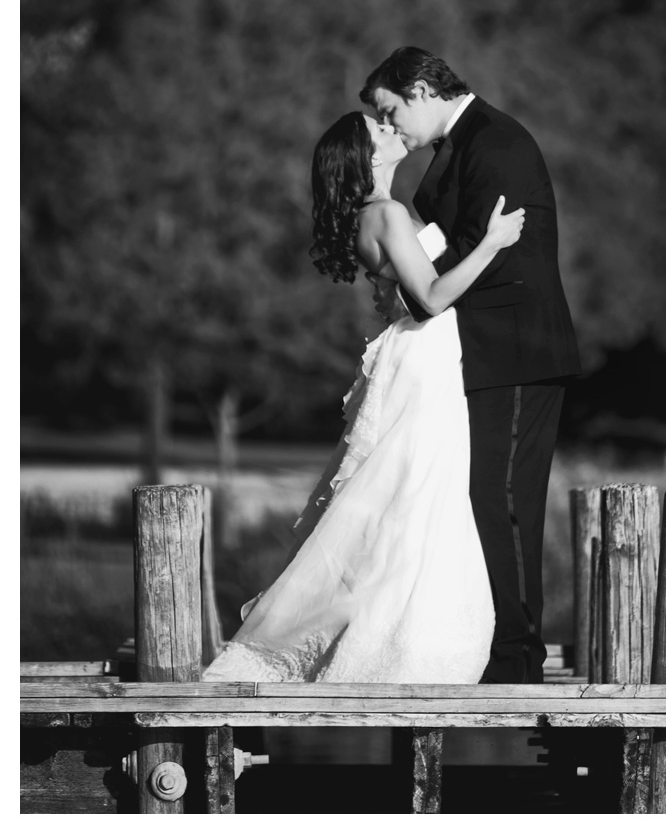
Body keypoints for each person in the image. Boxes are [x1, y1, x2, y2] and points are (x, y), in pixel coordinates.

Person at [202, 110, 524, 683]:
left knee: (409, 496)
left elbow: (404, 290)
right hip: (423, 354)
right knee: (416, 493)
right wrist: (491, 245)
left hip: (416, 353)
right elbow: (429, 296)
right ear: (366, 155)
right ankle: (402, 645)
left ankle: (399, 639)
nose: (390, 128)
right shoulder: (389, 214)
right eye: (378, 129)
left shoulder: (375, 213)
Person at [361, 47, 581, 684]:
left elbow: (481, 247)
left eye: (391, 108)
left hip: (515, 348)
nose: (392, 124)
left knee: (504, 499)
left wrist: (405, 288)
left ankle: (515, 658)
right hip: (478, 347)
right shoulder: (455, 149)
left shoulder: (497, 143)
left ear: (424, 88)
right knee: (480, 496)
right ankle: (496, 644)